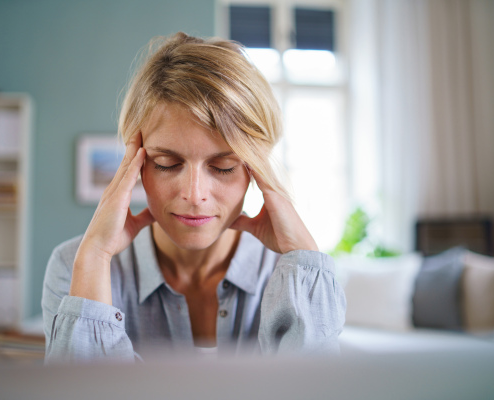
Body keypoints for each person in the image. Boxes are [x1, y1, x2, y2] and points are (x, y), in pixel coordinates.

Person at [42, 32, 346, 363]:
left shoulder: (295, 274)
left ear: (257, 168)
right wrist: (95, 257)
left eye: (224, 166)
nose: (194, 195)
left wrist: (305, 258)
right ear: (137, 163)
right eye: (166, 164)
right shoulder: (77, 266)